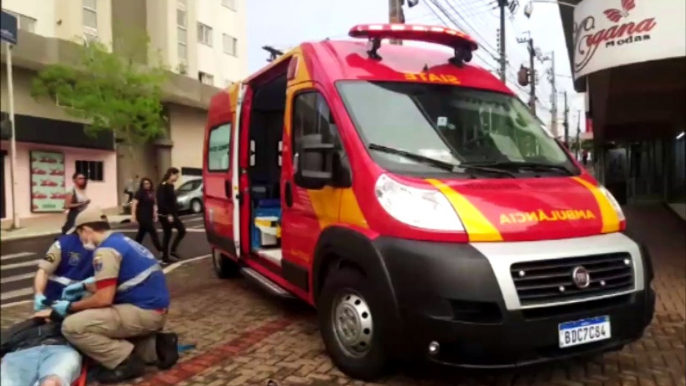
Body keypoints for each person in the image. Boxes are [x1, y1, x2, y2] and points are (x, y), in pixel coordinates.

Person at [53, 207, 179, 384]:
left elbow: (104, 299)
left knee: (72, 326)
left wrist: (69, 307)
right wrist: (83, 286)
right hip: (152, 308)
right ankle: (153, 347)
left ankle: (126, 362)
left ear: (87, 230)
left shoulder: (105, 251)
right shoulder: (121, 240)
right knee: (87, 303)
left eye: (79, 234)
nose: (80, 240)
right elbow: (118, 282)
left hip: (145, 312)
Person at [1, 309, 82, 386]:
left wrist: (54, 315)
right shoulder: (21, 328)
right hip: (20, 353)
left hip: (59, 349)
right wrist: (31, 322)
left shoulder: (66, 323)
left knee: (51, 383)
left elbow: (80, 325)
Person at [33, 231, 97, 311]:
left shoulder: (106, 246)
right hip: (54, 297)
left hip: (82, 301)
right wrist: (39, 294)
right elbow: (44, 271)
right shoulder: (63, 244)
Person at [131, 177, 165, 263]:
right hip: (142, 216)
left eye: (148, 183)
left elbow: (153, 205)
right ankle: (161, 250)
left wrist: (155, 214)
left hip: (149, 216)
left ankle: (132, 250)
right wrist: (133, 216)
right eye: (145, 184)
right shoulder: (139, 193)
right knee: (153, 232)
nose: (147, 185)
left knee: (140, 235)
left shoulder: (151, 193)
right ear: (142, 185)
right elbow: (134, 204)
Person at [156, 167, 185, 262]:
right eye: (176, 175)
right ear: (171, 174)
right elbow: (161, 202)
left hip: (173, 214)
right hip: (165, 215)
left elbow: (172, 200)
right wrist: (168, 214)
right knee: (171, 233)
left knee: (178, 231)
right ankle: (166, 255)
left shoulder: (171, 186)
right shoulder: (162, 186)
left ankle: (171, 251)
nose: (177, 178)